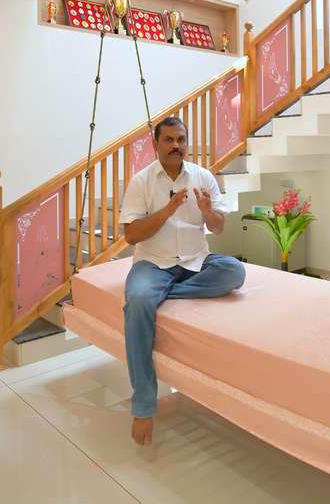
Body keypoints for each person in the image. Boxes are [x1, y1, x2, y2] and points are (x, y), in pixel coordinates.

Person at [120, 116, 246, 445]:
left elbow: (218, 228)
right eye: (169, 140)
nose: (176, 145)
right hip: (153, 263)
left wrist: (207, 211)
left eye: (181, 139)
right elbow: (132, 235)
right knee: (139, 302)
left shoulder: (203, 177)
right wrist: (167, 210)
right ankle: (144, 406)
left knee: (235, 271)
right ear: (156, 144)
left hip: (196, 261)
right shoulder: (142, 181)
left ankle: (169, 293)